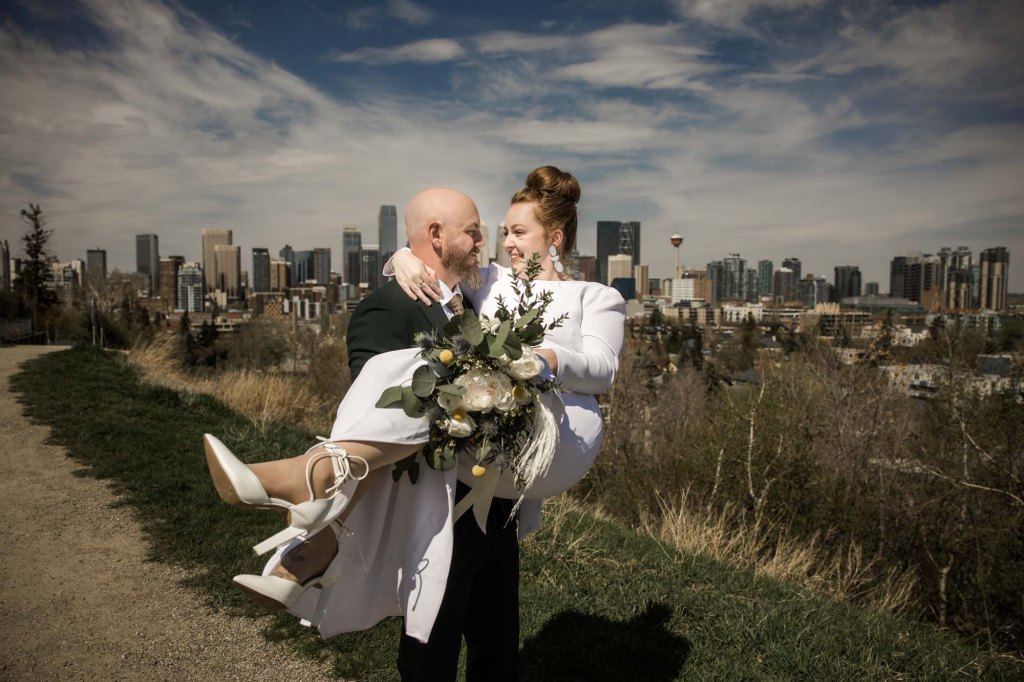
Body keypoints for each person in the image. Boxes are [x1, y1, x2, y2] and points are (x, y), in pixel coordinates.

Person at [203, 167, 625, 681]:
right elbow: (438, 260)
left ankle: (311, 494)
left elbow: (602, 368)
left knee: (494, 641)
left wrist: (540, 358)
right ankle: (311, 520)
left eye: (517, 232)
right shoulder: (491, 284)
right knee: (437, 639)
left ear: (553, 238)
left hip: (530, 459)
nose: (502, 243)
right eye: (499, 233)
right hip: (467, 476)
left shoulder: (596, 296)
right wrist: (401, 258)